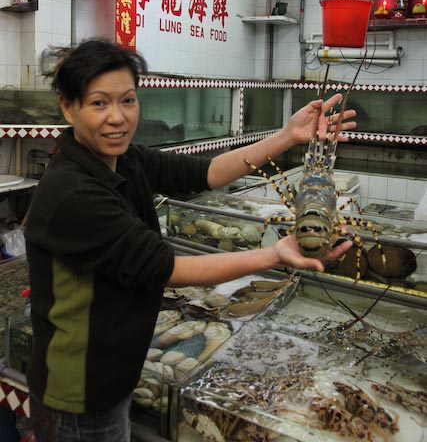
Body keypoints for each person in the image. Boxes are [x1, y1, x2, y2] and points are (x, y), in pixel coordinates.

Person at [25, 37, 356, 442]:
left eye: (127, 100)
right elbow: (170, 269)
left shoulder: (122, 158)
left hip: (113, 373)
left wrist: (288, 136)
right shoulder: (72, 193)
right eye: (99, 103)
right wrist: (273, 254)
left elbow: (206, 174)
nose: (117, 117)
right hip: (79, 392)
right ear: (67, 107)